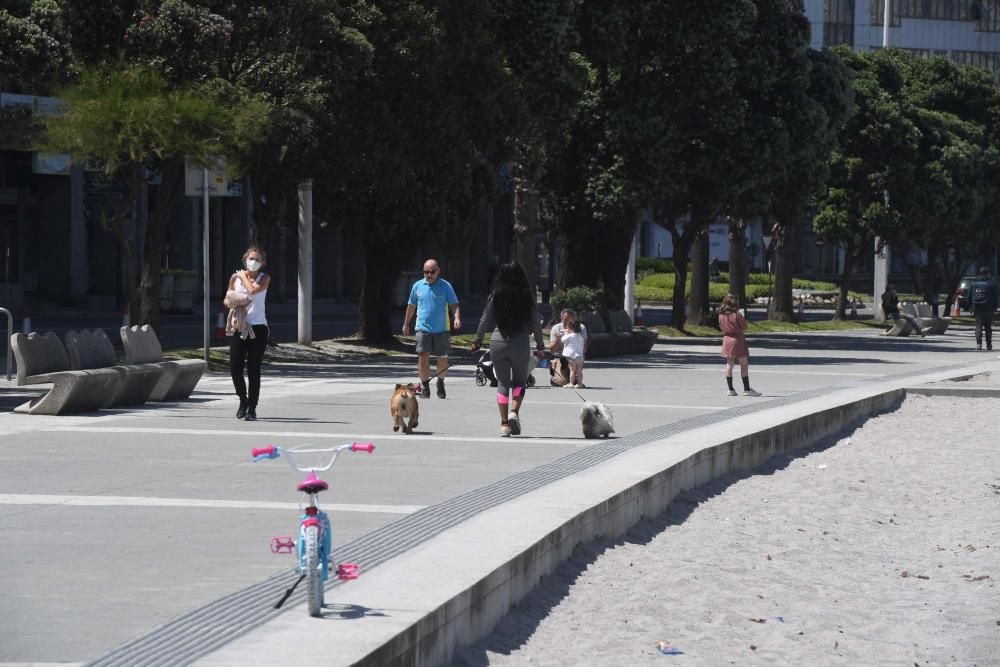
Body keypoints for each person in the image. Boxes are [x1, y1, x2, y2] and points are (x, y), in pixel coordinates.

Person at [472, 263, 546, 437]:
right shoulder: (527, 296)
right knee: (520, 382)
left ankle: (504, 424)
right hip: (520, 342)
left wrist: (477, 341)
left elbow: (484, 319)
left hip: (498, 341)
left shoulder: (496, 295)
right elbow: (535, 321)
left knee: (502, 384)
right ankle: (514, 412)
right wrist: (541, 346)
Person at [402, 258, 461, 398]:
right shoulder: (417, 286)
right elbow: (411, 306)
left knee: (442, 359)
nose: (429, 275)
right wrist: (406, 323)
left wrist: (457, 317)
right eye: (426, 272)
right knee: (423, 356)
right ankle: (425, 386)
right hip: (423, 328)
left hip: (442, 329)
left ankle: (440, 381)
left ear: (438, 271)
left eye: (432, 272)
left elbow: (454, 304)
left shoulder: (446, 286)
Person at [228, 246, 270, 421]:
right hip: (240, 327)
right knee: (235, 368)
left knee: (254, 368)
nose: (253, 262)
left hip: (258, 328)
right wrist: (232, 301)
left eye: (257, 259)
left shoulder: (264, 278)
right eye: (251, 258)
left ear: (262, 263)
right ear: (245, 259)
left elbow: (252, 291)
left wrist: (244, 276)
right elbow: (227, 298)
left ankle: (252, 408)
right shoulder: (235, 278)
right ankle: (242, 401)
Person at [718, 293, 760, 397]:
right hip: (738, 339)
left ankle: (730, 389)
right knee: (744, 364)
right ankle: (746, 389)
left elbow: (721, 328)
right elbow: (744, 327)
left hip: (727, 339)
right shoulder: (737, 314)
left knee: (729, 364)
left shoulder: (721, 314)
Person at [968, 266, 999, 351]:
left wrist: (970, 306)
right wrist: (996, 307)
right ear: (988, 273)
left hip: (977, 308)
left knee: (978, 326)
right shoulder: (993, 283)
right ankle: (989, 345)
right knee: (988, 327)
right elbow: (996, 296)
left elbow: (969, 296)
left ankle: (979, 344)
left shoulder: (974, 283)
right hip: (989, 308)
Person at [559, 318, 587, 388]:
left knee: (572, 370)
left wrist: (565, 333)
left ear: (570, 327)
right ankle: (579, 384)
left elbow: (562, 340)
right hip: (580, 356)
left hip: (572, 356)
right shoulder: (580, 336)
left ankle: (571, 383)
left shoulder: (570, 336)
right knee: (579, 371)